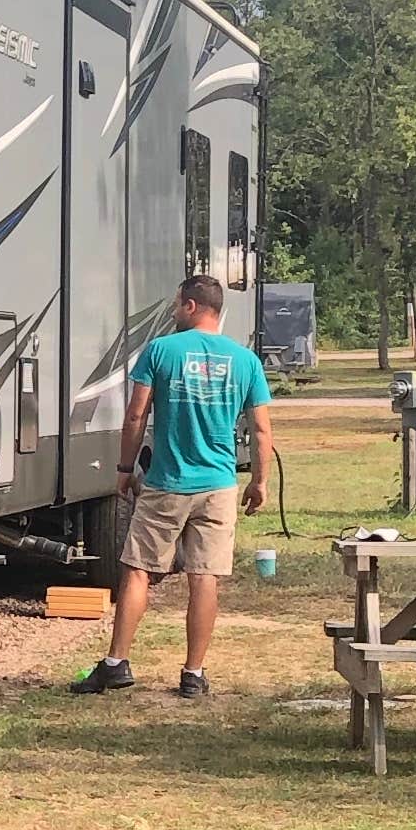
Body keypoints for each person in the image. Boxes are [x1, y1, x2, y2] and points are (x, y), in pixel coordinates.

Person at [77, 272, 275, 700]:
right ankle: (193, 673)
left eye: (176, 304)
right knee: (204, 577)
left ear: (191, 306)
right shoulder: (246, 361)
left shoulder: (161, 350)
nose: (172, 311)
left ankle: (116, 663)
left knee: (138, 570)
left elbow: (136, 415)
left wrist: (125, 467)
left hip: (167, 482)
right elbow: (261, 430)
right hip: (219, 485)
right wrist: (259, 481)